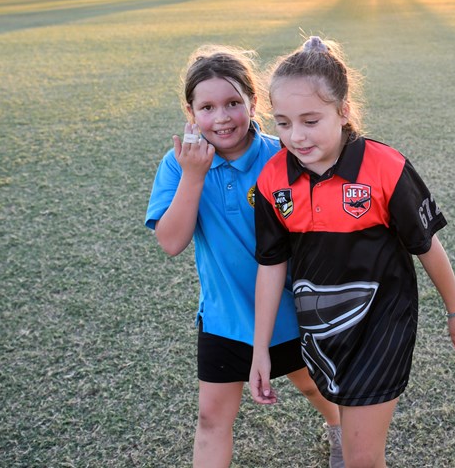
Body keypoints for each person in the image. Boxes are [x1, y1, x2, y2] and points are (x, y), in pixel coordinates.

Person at [249, 36, 455, 467]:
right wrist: (260, 348)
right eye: (282, 123)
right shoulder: (271, 178)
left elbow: (425, 245)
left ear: (344, 111)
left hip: (381, 328)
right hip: (322, 333)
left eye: (310, 120)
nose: (295, 136)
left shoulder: (385, 167)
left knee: (363, 460)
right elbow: (271, 265)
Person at [145, 45, 343, 468]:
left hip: (293, 313)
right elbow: (171, 241)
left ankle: (338, 429)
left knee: (312, 387)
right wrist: (195, 175)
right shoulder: (179, 164)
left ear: (254, 102)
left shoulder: (284, 155)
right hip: (225, 316)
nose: (222, 117)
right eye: (208, 107)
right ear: (190, 111)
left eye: (233, 103)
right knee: (212, 418)